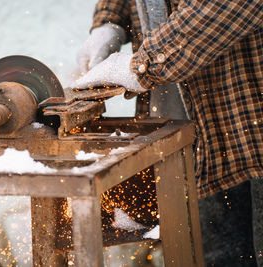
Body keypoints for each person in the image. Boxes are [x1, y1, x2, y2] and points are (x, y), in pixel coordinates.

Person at [72, 0, 263, 265]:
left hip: (249, 119)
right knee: (216, 257)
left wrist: (141, 64)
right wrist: (109, 21)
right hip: (192, 133)